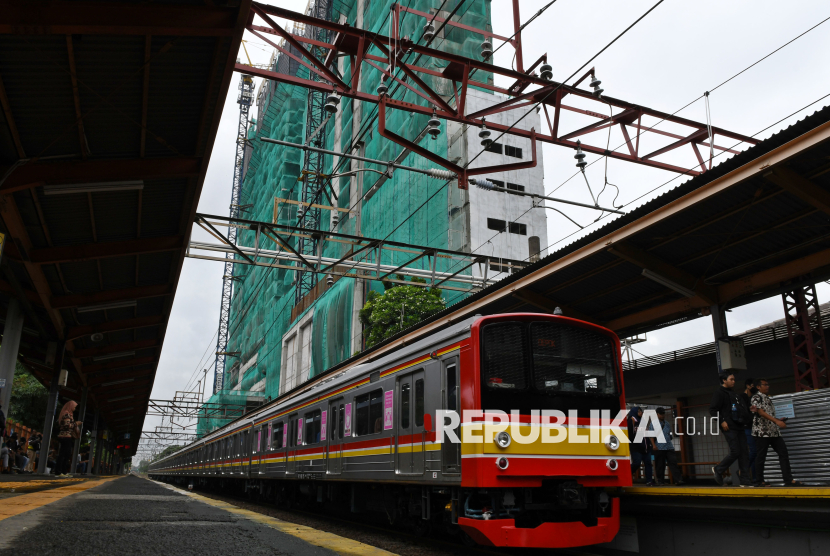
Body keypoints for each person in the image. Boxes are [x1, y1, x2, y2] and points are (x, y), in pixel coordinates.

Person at [751, 379, 802, 486]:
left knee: (783, 453)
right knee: (761, 456)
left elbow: (768, 414)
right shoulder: (756, 397)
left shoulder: (767, 398)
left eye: (768, 384)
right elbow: (760, 412)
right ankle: (759, 481)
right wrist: (777, 421)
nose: (767, 386)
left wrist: (778, 419)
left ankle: (788, 480)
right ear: (758, 387)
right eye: (765, 385)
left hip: (773, 431)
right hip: (762, 432)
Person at [709, 372, 752, 486]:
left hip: (739, 425)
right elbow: (713, 410)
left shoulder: (733, 394)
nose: (734, 381)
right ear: (724, 380)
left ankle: (745, 481)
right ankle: (719, 469)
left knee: (744, 453)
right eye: (731, 379)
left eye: (734, 379)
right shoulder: (719, 393)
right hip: (729, 426)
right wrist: (721, 421)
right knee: (735, 451)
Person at [648, 407, 685, 485]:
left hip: (669, 446)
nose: (662, 415)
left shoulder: (667, 423)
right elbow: (651, 436)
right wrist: (654, 445)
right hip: (659, 446)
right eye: (661, 414)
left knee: (673, 462)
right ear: (657, 414)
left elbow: (670, 434)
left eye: (663, 414)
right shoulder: (653, 424)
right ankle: (660, 480)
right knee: (660, 465)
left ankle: (678, 480)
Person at [627, 406, 655, 486]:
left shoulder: (643, 421)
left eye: (641, 411)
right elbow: (630, 434)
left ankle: (649, 481)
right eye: (639, 411)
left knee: (648, 464)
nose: (641, 413)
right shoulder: (631, 420)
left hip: (646, 448)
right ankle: (627, 475)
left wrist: (649, 444)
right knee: (637, 463)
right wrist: (636, 443)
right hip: (636, 448)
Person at [55, 400, 82, 477]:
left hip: (66, 436)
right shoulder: (66, 414)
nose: (74, 408)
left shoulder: (69, 414)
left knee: (66, 454)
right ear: (70, 406)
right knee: (64, 454)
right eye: (74, 406)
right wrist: (76, 423)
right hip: (65, 436)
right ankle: (59, 472)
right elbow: (67, 425)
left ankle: (63, 472)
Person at [741, 378, 758, 483]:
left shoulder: (754, 397)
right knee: (754, 450)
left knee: (755, 452)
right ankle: (743, 471)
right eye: (752, 386)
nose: (754, 388)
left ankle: (755, 478)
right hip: (746, 427)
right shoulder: (742, 397)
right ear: (748, 386)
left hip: (755, 427)